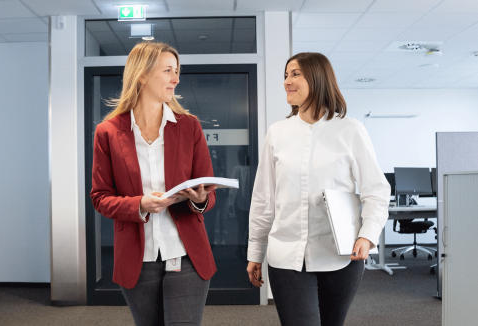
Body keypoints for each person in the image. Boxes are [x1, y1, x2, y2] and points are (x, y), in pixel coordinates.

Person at [246, 52, 390, 326]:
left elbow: (376, 190)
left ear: (318, 78)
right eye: (286, 75)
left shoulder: (350, 130)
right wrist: (255, 251)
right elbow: (264, 198)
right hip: (286, 256)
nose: (287, 81)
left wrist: (368, 236)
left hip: (340, 255)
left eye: (295, 74)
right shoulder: (277, 132)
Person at [90, 42, 217, 326]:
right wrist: (140, 204)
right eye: (168, 70)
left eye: (177, 71)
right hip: (138, 258)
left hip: (186, 256)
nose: (176, 78)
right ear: (143, 75)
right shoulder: (108, 132)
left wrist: (199, 199)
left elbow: (207, 192)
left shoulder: (189, 126)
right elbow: (100, 197)